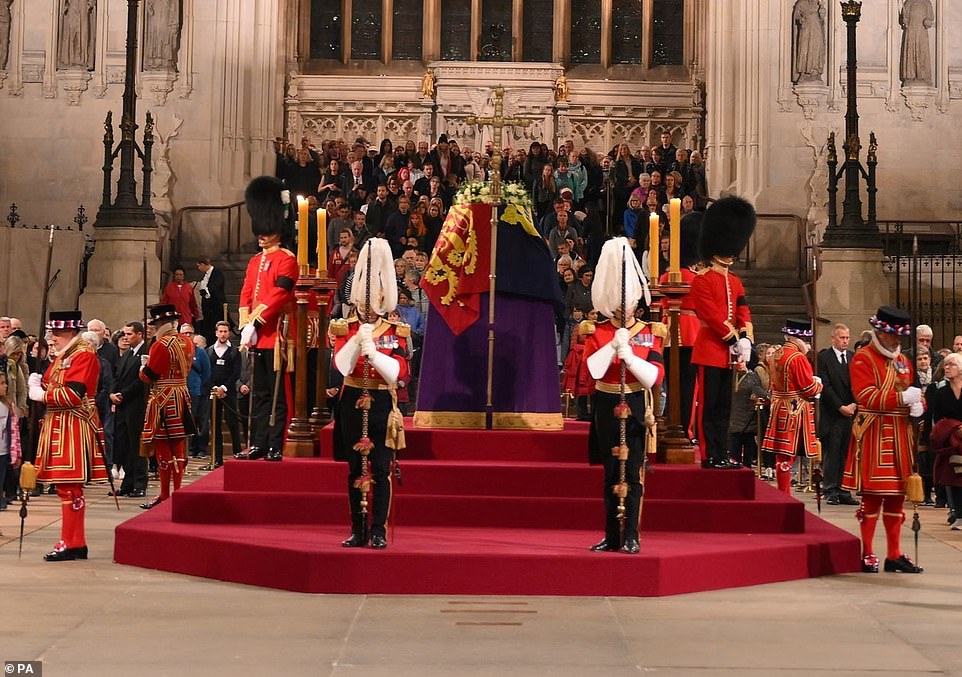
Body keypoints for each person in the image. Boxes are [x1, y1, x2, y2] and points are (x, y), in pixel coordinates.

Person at [584, 238, 664, 554]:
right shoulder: (597, 330)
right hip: (605, 403)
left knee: (632, 473)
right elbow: (593, 371)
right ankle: (611, 535)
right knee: (609, 472)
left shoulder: (650, 330)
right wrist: (612, 346)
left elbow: (654, 376)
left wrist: (629, 357)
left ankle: (631, 533)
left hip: (633, 402)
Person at [331, 238, 409, 549]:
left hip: (380, 402)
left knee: (379, 468)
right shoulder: (345, 326)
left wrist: (374, 354)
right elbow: (342, 365)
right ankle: (357, 528)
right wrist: (356, 342)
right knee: (354, 468)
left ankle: (378, 528)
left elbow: (399, 371)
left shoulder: (394, 329)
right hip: (352, 400)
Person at [841, 306, 923, 574]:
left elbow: (911, 389)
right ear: (880, 332)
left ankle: (894, 554)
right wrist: (901, 399)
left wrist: (919, 404)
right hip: (875, 432)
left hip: (899, 433)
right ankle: (868, 552)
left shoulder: (902, 360)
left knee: (897, 497)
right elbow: (865, 396)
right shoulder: (863, 358)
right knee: (873, 497)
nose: (897, 341)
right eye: (891, 336)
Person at [28, 310, 109, 561]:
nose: (52, 339)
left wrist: (41, 394)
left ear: (70, 332)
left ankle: (72, 541)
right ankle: (73, 541)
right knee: (65, 488)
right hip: (59, 424)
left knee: (70, 486)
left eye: (57, 334)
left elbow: (73, 395)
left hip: (72, 423)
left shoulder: (82, 355)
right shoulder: (66, 355)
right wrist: (39, 384)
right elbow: (56, 383)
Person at [690, 196, 756, 469]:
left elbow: (743, 310)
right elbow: (711, 316)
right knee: (708, 408)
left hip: (729, 354)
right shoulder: (702, 280)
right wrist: (733, 339)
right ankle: (709, 454)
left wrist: (747, 338)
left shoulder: (735, 281)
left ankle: (722, 452)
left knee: (724, 409)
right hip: (709, 351)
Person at [237, 176, 299, 462]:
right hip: (256, 336)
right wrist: (244, 324)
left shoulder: (287, 259)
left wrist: (255, 322)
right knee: (259, 394)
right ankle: (259, 442)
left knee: (277, 394)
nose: (261, 235)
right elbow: (246, 293)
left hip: (276, 335)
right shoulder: (254, 261)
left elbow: (279, 294)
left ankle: (276, 442)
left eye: (266, 230)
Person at [138, 304, 197, 510]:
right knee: (179, 447)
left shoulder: (160, 345)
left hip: (164, 398)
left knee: (163, 447)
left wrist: (143, 368)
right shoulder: (187, 342)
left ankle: (165, 494)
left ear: (159, 324)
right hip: (181, 394)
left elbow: (149, 376)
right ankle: (178, 491)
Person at [761, 319, 823, 494]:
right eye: (806, 340)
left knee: (781, 455)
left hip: (779, 404)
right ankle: (785, 493)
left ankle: (783, 490)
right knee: (789, 454)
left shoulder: (775, 354)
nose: (808, 344)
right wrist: (819, 384)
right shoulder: (797, 357)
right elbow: (808, 388)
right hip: (795, 409)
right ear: (798, 339)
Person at [817, 323, 859, 505]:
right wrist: (840, 406)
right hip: (833, 413)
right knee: (832, 452)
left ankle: (844, 489)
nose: (845, 341)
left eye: (847, 338)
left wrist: (854, 404)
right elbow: (825, 385)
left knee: (846, 452)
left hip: (851, 412)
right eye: (842, 338)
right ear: (833, 338)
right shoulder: (824, 358)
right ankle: (830, 489)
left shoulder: (852, 357)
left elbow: (858, 382)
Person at [110, 322, 149, 498]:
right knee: (124, 445)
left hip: (136, 405)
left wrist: (122, 394)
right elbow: (117, 375)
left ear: (140, 334)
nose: (125, 337)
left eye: (129, 334)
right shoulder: (127, 354)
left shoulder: (145, 352)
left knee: (136, 446)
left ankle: (140, 483)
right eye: (124, 334)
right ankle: (127, 483)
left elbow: (141, 381)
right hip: (122, 405)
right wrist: (112, 393)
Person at [927, 352, 962, 530]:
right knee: (953, 478)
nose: (947, 368)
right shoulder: (941, 393)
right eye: (945, 365)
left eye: (951, 365)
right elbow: (938, 418)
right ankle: (957, 513)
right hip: (951, 441)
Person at [207, 321, 242, 467]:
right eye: (220, 331)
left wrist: (224, 388)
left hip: (229, 393)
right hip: (213, 393)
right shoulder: (209, 351)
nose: (222, 334)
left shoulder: (234, 351)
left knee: (232, 423)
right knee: (215, 426)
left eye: (225, 331)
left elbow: (236, 373)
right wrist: (215, 388)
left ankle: (237, 454)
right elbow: (207, 372)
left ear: (229, 333)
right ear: (216, 333)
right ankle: (217, 458)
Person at [195, 256, 229, 345]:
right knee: (207, 330)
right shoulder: (206, 275)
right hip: (208, 309)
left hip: (216, 307)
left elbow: (215, 287)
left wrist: (206, 291)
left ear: (203, 264)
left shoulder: (217, 273)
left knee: (214, 329)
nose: (198, 268)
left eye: (199, 266)